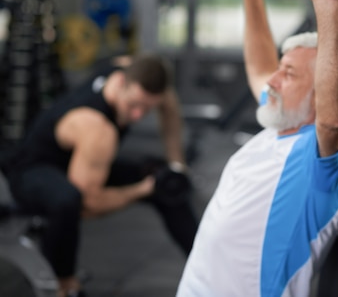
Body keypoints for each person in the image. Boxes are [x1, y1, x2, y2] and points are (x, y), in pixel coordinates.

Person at [176, 0, 338, 296]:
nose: (272, 80)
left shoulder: (319, 154)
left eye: (289, 73)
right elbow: (258, 65)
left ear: (321, 91)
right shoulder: (280, 124)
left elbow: (333, 121)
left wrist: (327, 0)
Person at [3, 53, 199, 297]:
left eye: (147, 108)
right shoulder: (97, 129)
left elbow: (167, 103)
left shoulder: (130, 70)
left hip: (82, 159)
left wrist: (176, 166)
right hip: (32, 170)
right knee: (67, 200)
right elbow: (90, 203)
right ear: (121, 85)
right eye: (133, 106)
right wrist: (143, 189)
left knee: (169, 186)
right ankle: (64, 283)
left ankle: (206, 265)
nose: (138, 115)